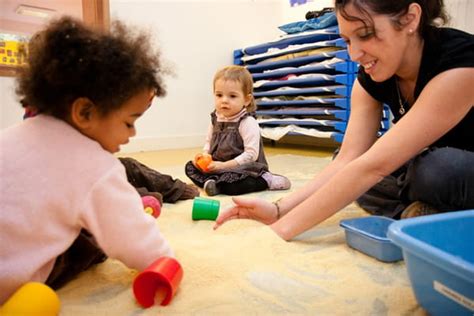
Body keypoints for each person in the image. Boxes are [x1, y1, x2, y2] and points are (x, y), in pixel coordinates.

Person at [214, 0, 473, 240]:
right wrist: (279, 210)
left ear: (410, 19)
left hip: (452, 170)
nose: (354, 54)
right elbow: (350, 160)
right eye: (347, 40)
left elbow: (375, 166)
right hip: (424, 172)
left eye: (365, 35)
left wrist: (280, 233)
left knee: (436, 169)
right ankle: (426, 216)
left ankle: (426, 216)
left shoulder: (461, 64)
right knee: (350, 171)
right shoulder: (372, 76)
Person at [0, 16, 173, 303]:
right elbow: (135, 240)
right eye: (129, 122)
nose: (132, 134)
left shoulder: (10, 136)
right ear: (84, 112)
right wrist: (165, 259)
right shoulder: (97, 168)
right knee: (89, 243)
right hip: (11, 288)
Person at [185, 65, 291, 196]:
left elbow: (251, 155)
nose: (224, 100)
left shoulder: (247, 122)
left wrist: (224, 166)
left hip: (244, 170)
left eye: (232, 96)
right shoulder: (215, 119)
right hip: (219, 167)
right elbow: (208, 142)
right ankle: (215, 184)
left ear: (246, 100)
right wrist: (204, 155)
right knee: (190, 167)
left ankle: (265, 180)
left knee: (235, 186)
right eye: (219, 95)